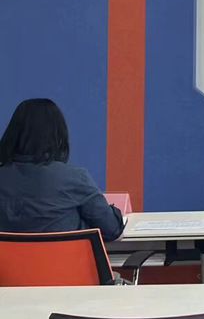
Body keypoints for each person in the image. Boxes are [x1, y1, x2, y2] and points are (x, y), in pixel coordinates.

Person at [0, 98, 124, 240]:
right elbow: (112, 229)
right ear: (58, 136)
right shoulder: (75, 179)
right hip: (62, 255)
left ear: (12, 134)